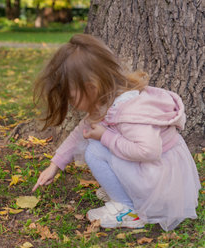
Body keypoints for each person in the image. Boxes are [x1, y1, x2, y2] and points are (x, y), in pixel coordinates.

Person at [31, 34, 200, 231]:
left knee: (95, 149)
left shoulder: (129, 111)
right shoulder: (109, 100)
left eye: (72, 97)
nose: (71, 104)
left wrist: (105, 136)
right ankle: (126, 196)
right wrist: (54, 165)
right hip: (156, 174)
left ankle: (128, 210)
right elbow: (80, 131)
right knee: (95, 142)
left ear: (91, 88)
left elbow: (149, 152)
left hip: (161, 183)